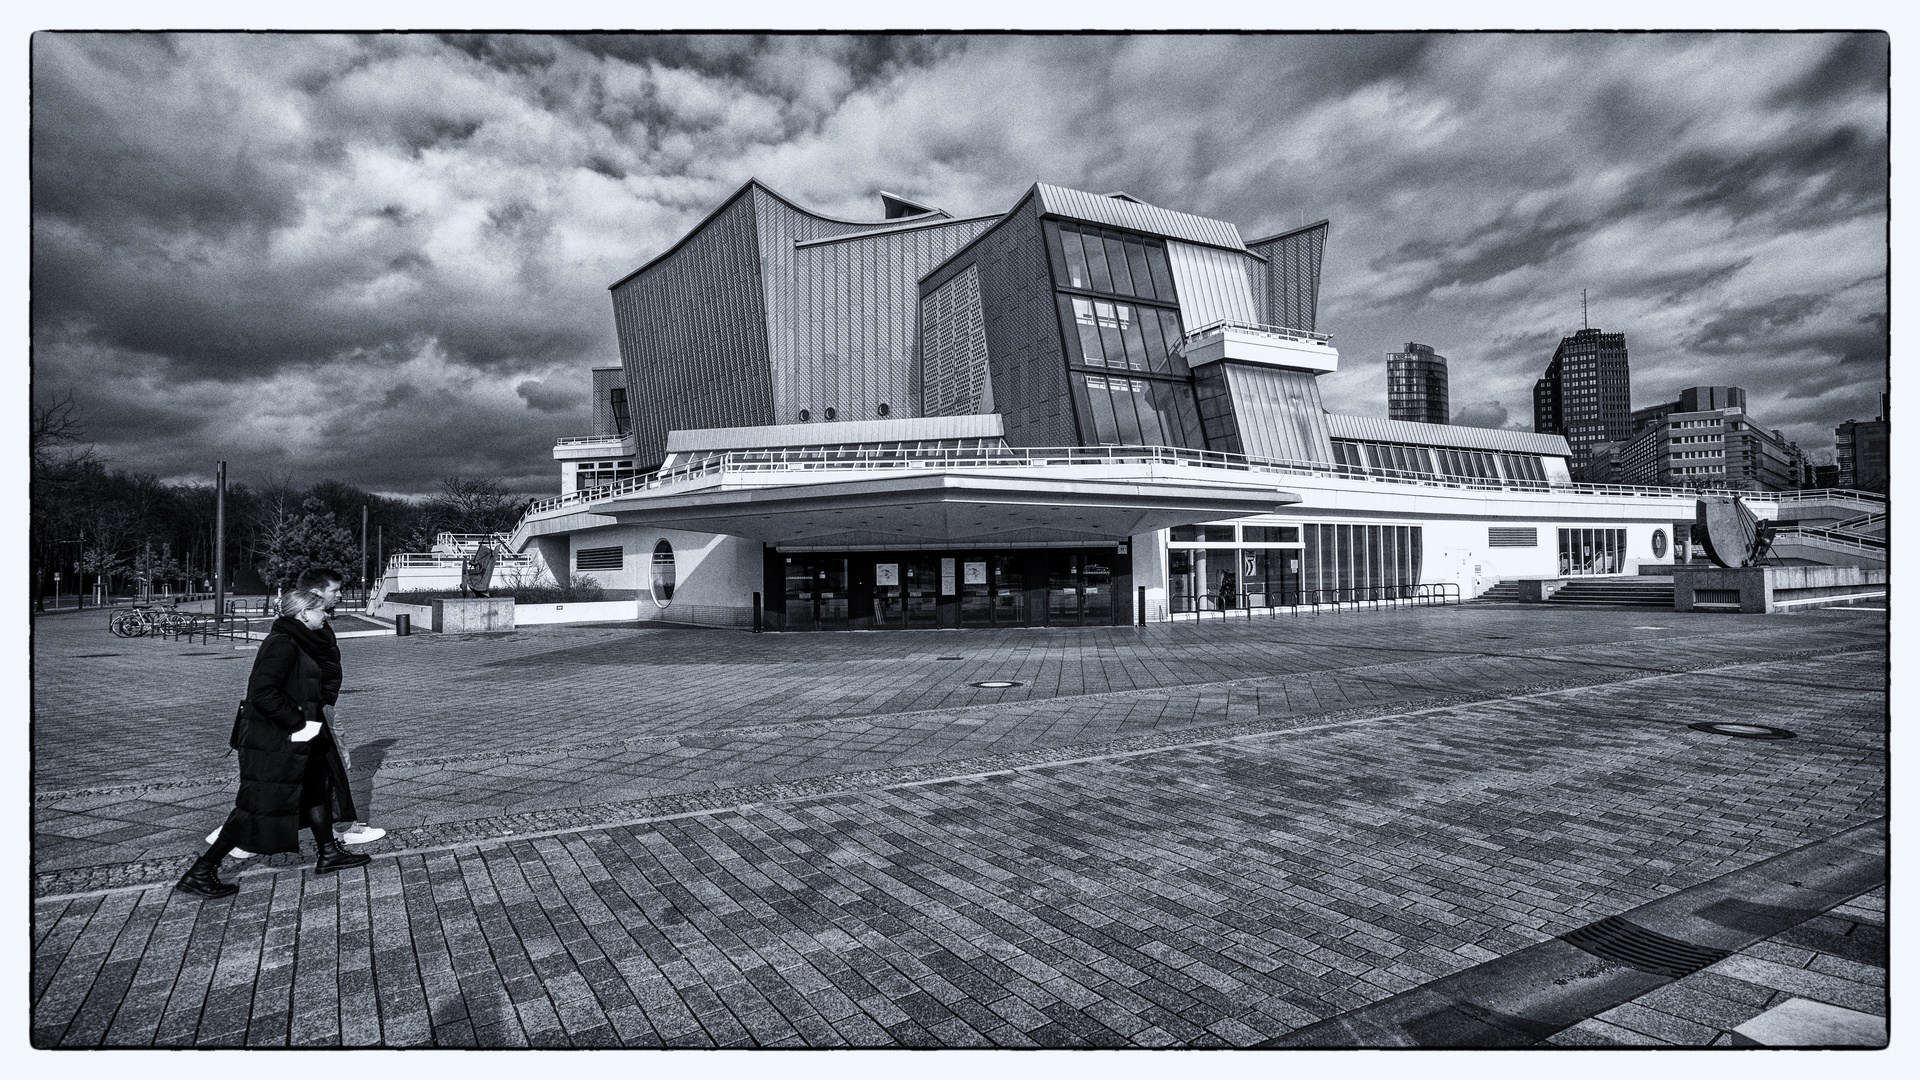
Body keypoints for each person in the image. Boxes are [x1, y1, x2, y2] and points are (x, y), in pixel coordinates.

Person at [176, 588, 371, 897]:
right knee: (256, 809)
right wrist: (299, 724)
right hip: (277, 740)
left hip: (303, 734)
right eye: (321, 611)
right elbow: (262, 694)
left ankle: (328, 852)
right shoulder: (283, 643)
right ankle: (201, 871)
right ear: (304, 614)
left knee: (316, 789)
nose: (326, 615)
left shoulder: (301, 640)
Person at [204, 567, 385, 854]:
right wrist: (303, 718)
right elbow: (265, 690)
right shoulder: (289, 638)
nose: (339, 595)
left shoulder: (309, 628)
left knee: (319, 778)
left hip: (314, 709)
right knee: (293, 781)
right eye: (334, 590)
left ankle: (330, 845)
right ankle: (230, 843)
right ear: (311, 600)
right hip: (304, 715)